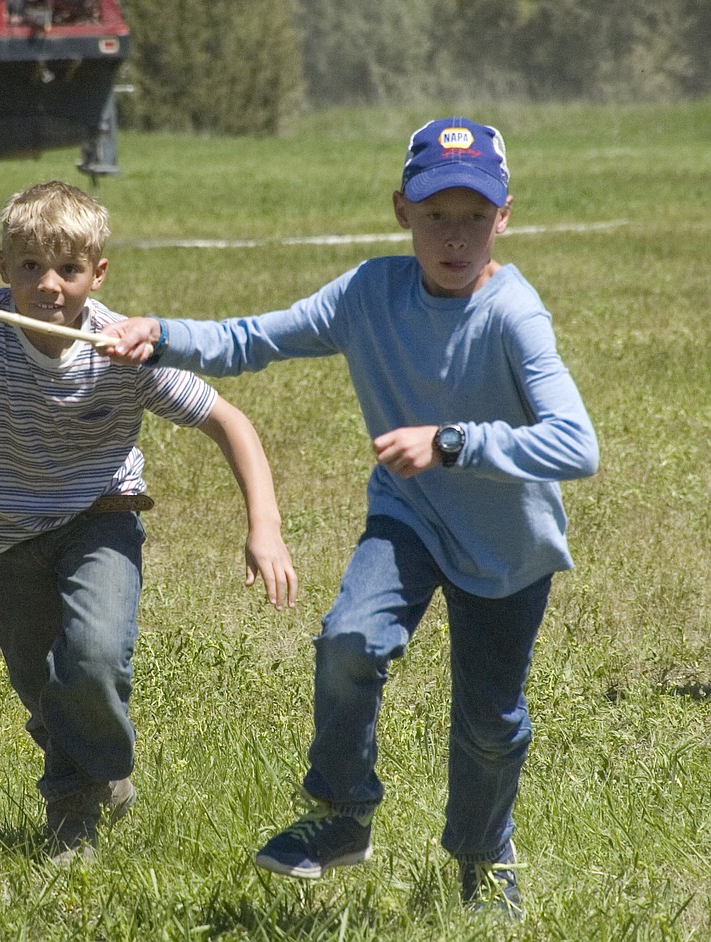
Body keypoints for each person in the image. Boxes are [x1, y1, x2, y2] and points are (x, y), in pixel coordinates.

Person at [101, 118, 599, 916]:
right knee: (348, 642)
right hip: (408, 520)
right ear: (403, 209)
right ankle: (341, 816)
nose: (456, 235)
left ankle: (483, 852)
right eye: (437, 213)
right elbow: (254, 339)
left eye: (476, 215)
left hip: (508, 548)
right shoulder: (370, 292)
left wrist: (451, 441)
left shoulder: (514, 314)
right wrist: (161, 336)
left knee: (489, 724)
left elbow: (578, 445)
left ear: (504, 217)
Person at [0, 179, 297, 864]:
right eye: (30, 266)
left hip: (101, 517)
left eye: (69, 269)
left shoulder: (122, 350)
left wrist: (262, 525)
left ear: (98, 274)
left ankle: (71, 812)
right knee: (39, 687)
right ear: (3, 267)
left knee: (88, 658)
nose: (49, 284)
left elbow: (227, 422)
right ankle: (102, 773)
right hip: (6, 533)